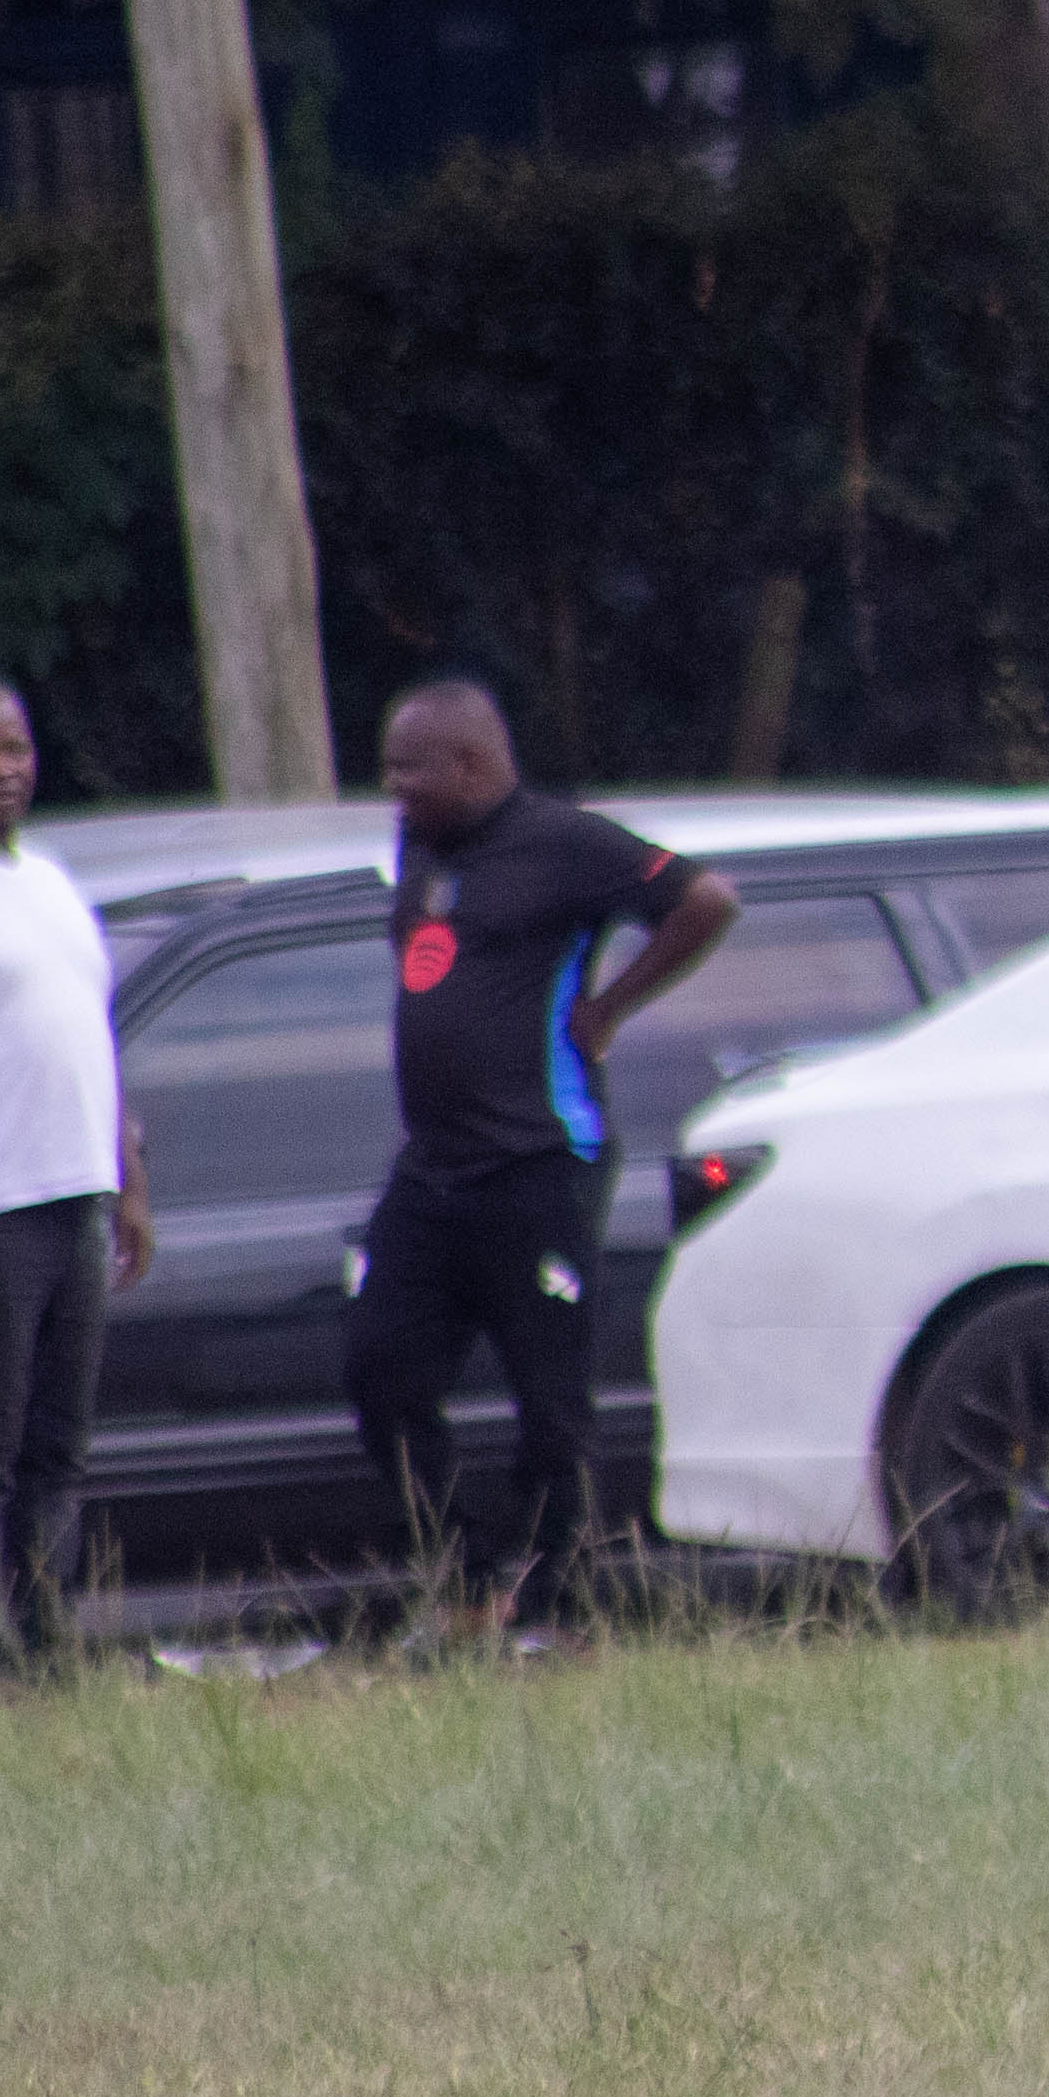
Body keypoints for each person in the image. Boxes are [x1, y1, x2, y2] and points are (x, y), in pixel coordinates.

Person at [352, 678, 738, 1646]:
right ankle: (463, 1581)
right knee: (380, 1372)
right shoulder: (422, 845)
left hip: (539, 1164)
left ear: (470, 764)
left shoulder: (567, 842)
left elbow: (706, 900)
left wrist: (610, 1007)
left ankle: (547, 1604)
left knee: (552, 1407)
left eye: (408, 772)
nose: (394, 790)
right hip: (433, 1169)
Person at [0, 677, 144, 1666]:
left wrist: (129, 1177)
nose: (1, 769)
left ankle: (49, 1639)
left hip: (75, 1195)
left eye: (14, 748)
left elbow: (91, 1037)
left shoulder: (52, 881)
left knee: (58, 1445)